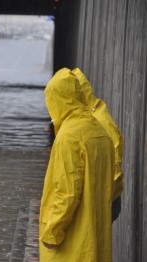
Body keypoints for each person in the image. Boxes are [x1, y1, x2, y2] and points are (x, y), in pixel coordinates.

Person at [39, 68, 115, 261]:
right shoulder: (100, 132)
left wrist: (52, 232)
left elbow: (67, 192)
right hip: (95, 240)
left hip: (71, 245)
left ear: (59, 99)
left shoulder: (68, 137)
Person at [72, 68, 124, 222]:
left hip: (103, 198)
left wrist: (104, 198)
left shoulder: (100, 121)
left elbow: (114, 164)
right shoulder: (90, 115)